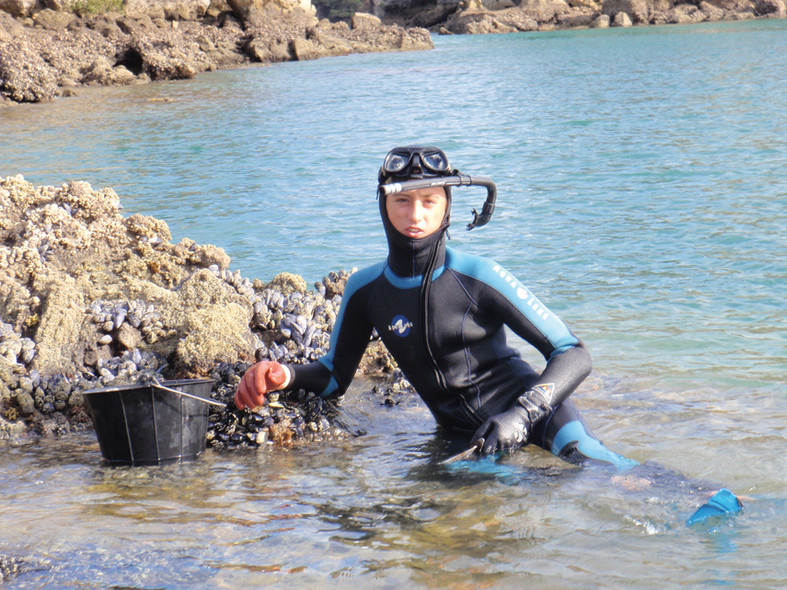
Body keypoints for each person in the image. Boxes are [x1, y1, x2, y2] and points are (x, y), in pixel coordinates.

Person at [235, 145, 636, 469]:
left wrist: (522, 416)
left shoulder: (478, 275)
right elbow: (334, 378)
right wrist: (282, 374)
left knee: (605, 477)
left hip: (538, 416)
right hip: (465, 441)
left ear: (446, 207)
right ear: (383, 205)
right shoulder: (365, 290)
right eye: (403, 200)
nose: (415, 215)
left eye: (429, 201)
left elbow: (573, 353)